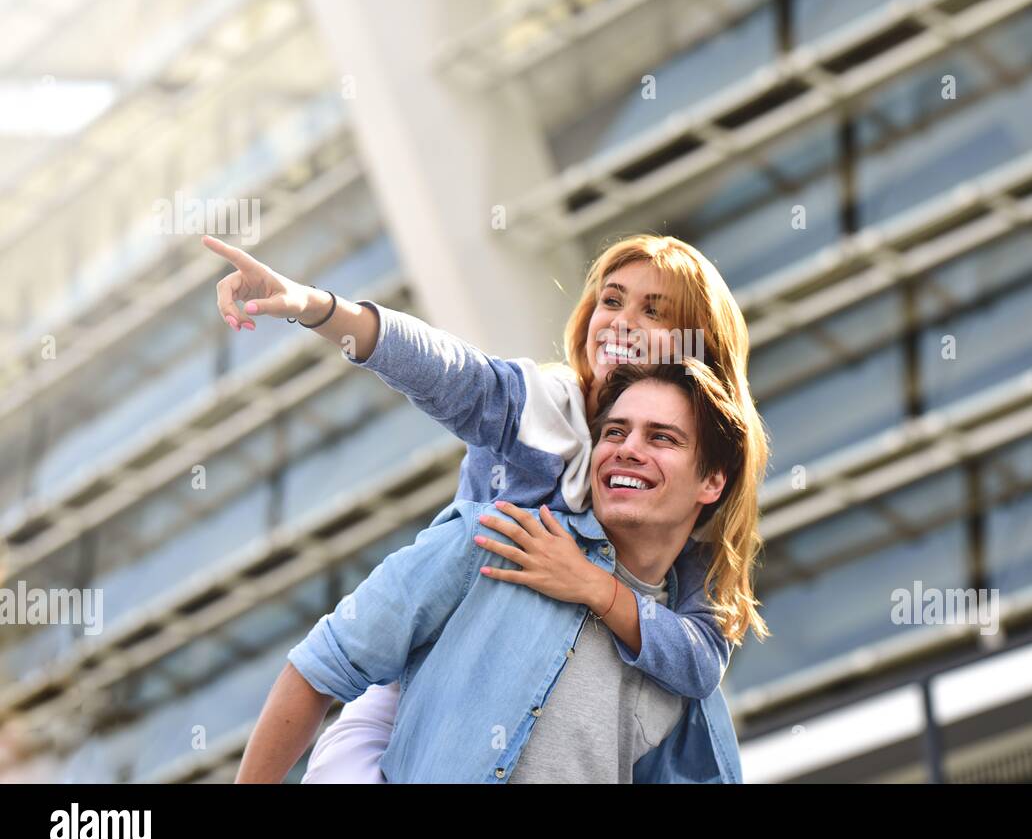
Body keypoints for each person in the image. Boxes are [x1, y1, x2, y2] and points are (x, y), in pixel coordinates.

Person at [203, 232, 770, 781]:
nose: (621, 321)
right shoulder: (545, 407)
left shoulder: (684, 558)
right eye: (611, 300)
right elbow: (447, 370)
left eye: (654, 311)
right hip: (415, 666)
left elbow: (699, 659)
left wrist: (594, 587)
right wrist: (313, 306)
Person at [236, 361, 754, 782]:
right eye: (615, 431)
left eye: (661, 438)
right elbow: (320, 665)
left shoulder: (683, 666)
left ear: (711, 481)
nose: (627, 449)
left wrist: (600, 591)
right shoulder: (497, 538)